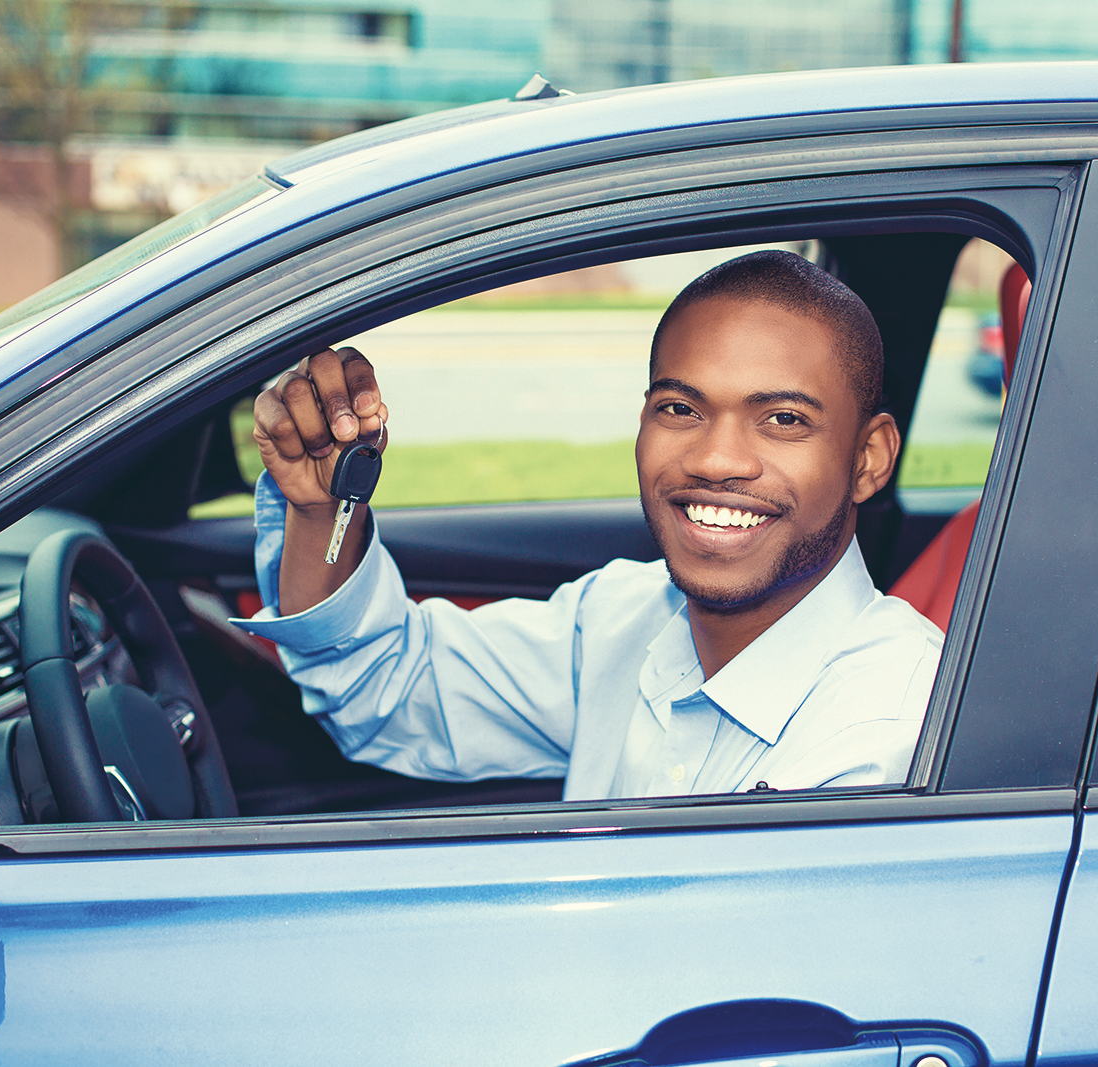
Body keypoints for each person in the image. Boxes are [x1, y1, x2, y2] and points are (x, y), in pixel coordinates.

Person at [234, 250, 944, 800]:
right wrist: (322, 504)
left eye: (783, 419)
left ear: (868, 457)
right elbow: (386, 685)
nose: (717, 458)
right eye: (679, 409)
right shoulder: (621, 620)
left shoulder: (890, 731)